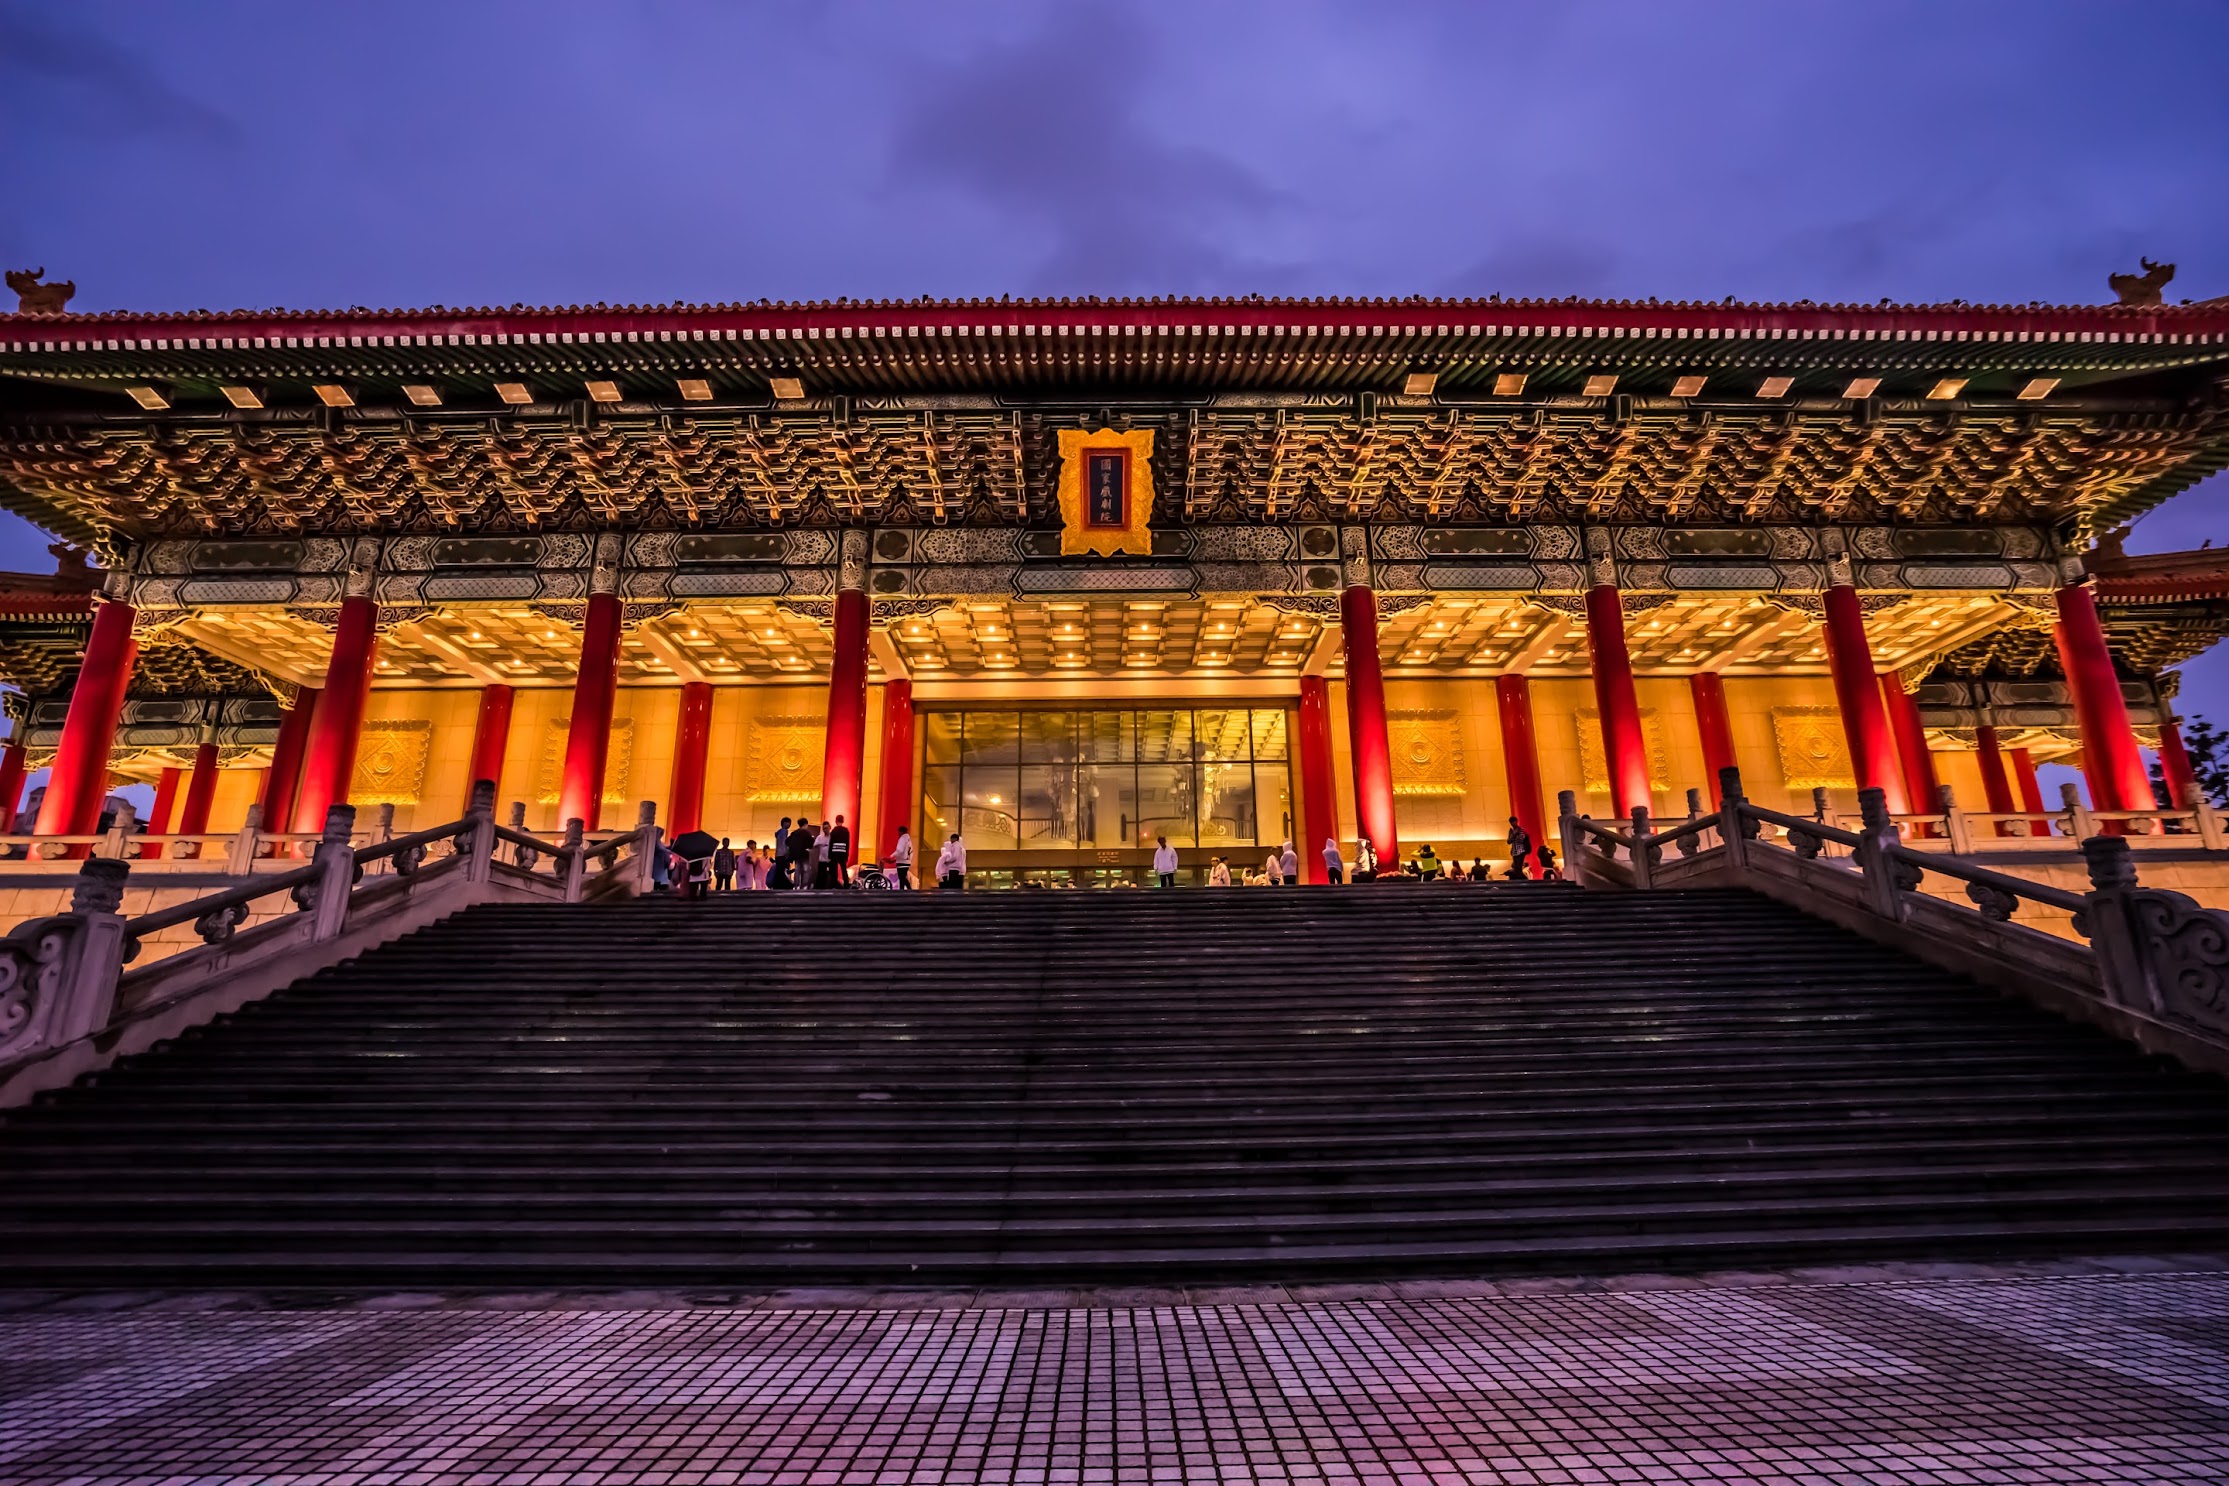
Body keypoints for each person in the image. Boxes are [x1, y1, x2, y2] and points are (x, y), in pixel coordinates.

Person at [1504, 815, 1532, 881]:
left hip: (1521, 851)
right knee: (1516, 867)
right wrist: (1514, 834)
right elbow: (1508, 841)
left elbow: (1521, 839)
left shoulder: (1521, 829)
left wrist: (1516, 834)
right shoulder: (1511, 831)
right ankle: (1519, 880)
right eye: (1511, 822)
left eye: (1513, 822)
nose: (1512, 823)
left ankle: (1523, 880)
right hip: (1514, 851)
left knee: (1519, 867)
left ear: (1516, 821)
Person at [829, 814, 852, 887]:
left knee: (834, 870)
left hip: (834, 852)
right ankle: (846, 884)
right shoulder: (846, 831)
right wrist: (847, 854)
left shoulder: (834, 831)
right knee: (844, 869)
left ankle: (834, 884)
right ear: (843, 821)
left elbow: (831, 843)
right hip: (843, 852)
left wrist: (829, 855)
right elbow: (847, 843)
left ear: (836, 821)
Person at [891, 825, 914, 890]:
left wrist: (892, 856)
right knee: (903, 876)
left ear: (901, 832)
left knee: (901, 877)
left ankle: (902, 890)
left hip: (901, 861)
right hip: (907, 861)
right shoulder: (909, 840)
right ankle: (909, 889)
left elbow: (899, 850)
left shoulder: (902, 839)